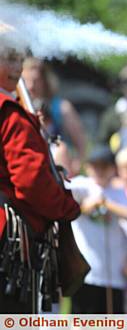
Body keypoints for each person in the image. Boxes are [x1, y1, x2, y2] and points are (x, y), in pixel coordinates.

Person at [0, 47, 81, 313]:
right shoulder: (11, 114)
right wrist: (68, 206)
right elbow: (32, 183)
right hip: (8, 243)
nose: (18, 68)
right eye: (10, 59)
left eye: (19, 60)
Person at [67, 146, 127, 314]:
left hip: (112, 273)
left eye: (104, 166)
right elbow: (68, 205)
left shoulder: (118, 192)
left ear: (113, 169)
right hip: (86, 271)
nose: (99, 170)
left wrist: (107, 204)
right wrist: (88, 205)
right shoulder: (81, 184)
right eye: (95, 165)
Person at [21, 57, 88, 175]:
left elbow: (81, 142)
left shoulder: (62, 107)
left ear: (44, 81)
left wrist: (77, 165)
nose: (31, 86)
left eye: (36, 80)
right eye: (27, 81)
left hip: (61, 166)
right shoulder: (19, 109)